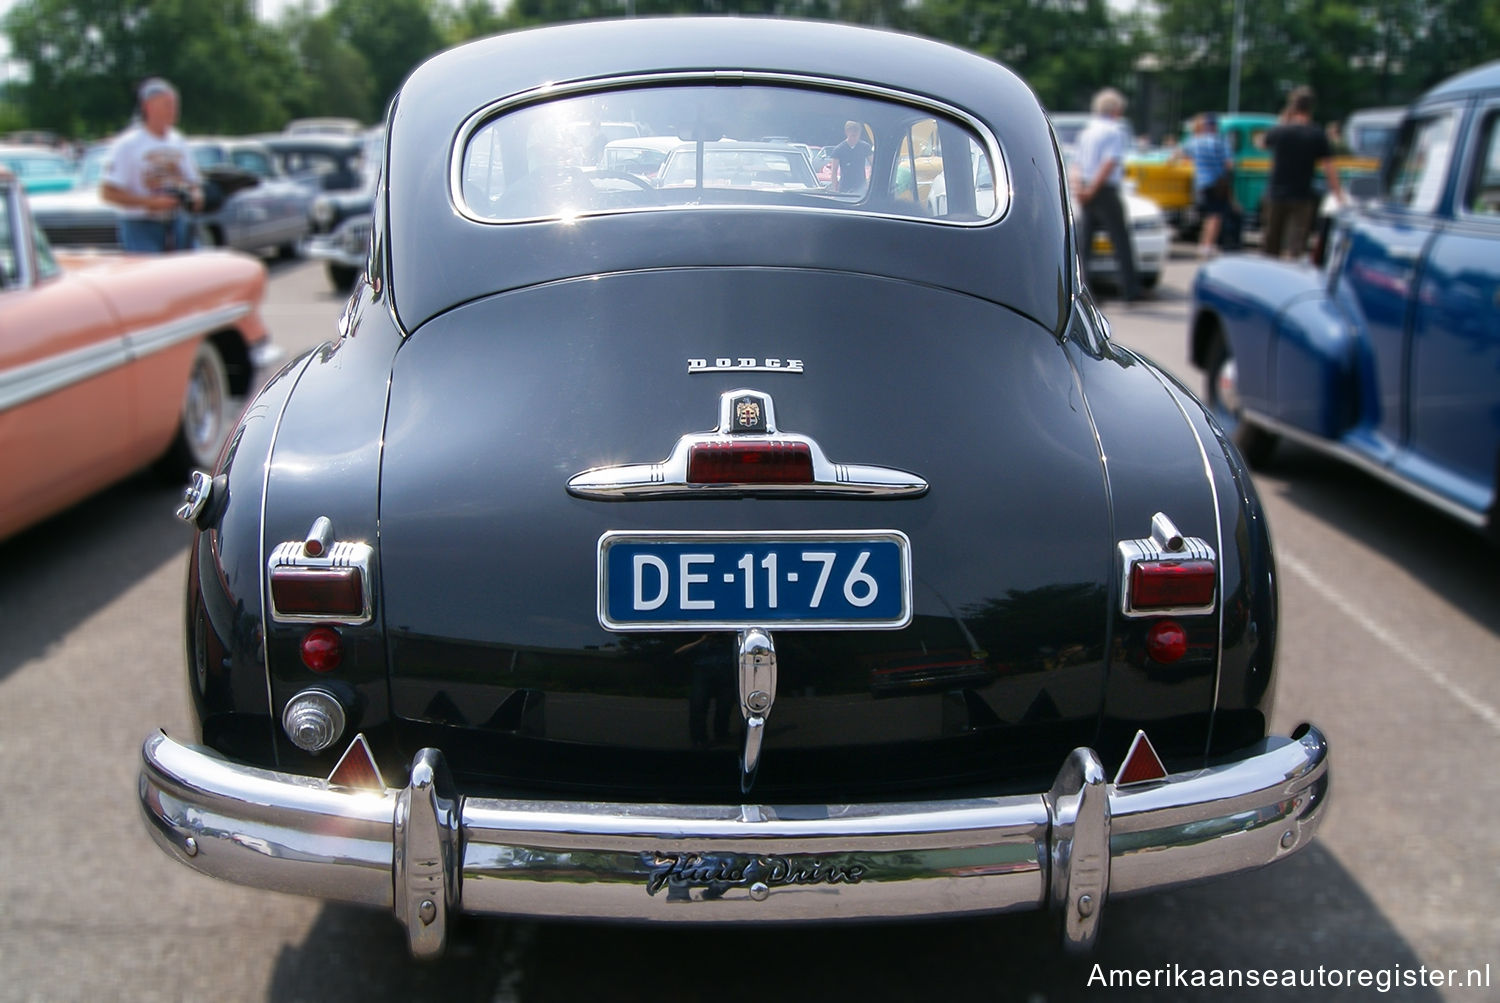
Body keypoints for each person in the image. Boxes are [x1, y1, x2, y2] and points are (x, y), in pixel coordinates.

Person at [100, 77, 203, 252]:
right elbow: (108, 193)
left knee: (191, 272)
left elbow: (193, 181)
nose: (173, 110)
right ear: (148, 106)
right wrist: (150, 203)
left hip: (177, 222)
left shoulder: (178, 140)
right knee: (151, 276)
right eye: (167, 104)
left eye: (175, 104)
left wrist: (196, 195)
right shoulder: (128, 144)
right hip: (140, 226)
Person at [1072, 87, 1141, 302]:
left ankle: (1086, 292)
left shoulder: (1087, 132)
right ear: (1116, 110)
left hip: (1086, 186)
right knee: (1120, 240)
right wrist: (1093, 189)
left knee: (1085, 244)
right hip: (1104, 189)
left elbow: (1077, 164)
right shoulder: (1114, 131)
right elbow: (1109, 162)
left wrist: (1080, 189)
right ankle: (1130, 290)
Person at [1261, 86, 1344, 259]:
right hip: (1302, 196)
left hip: (1276, 193)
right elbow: (1330, 168)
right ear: (1311, 108)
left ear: (1292, 107)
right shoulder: (1317, 134)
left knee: (1270, 244)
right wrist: (1338, 195)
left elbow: (1262, 143)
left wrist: (1283, 120)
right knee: (1296, 245)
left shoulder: (1281, 131)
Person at [1177, 113, 1236, 258]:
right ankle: (1207, 245)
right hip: (1217, 183)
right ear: (1214, 127)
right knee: (1215, 216)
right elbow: (1229, 164)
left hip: (1200, 183)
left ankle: (1203, 243)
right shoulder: (1220, 142)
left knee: (1208, 215)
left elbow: (1179, 154)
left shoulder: (1194, 141)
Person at [830, 120, 872, 195]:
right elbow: (834, 171)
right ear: (847, 132)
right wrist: (835, 188)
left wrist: (870, 181)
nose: (854, 138)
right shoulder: (838, 149)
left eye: (857, 135)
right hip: (844, 187)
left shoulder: (865, 147)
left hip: (861, 187)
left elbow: (874, 164)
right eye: (852, 135)